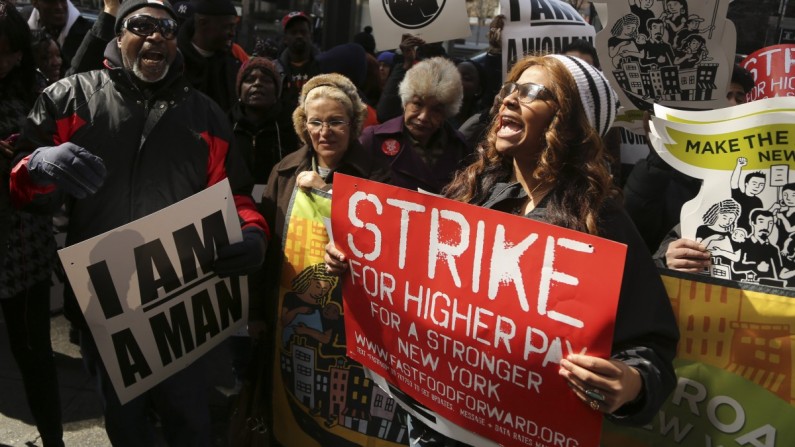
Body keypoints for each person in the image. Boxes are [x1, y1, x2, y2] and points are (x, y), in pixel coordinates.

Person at [326, 54, 679, 446]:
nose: (508, 99)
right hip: (436, 427)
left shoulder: (601, 222)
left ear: (572, 119)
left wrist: (629, 384)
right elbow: (418, 289)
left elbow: (652, 350)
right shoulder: (476, 195)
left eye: (531, 92)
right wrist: (357, 263)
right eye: (510, 89)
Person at [8, 0, 269, 445]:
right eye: (141, 25)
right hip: (106, 305)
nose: (155, 35)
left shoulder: (205, 114)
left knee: (189, 421)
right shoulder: (70, 98)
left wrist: (252, 233)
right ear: (118, 36)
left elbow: (235, 194)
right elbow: (22, 185)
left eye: (166, 27)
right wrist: (36, 165)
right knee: (125, 425)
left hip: (181, 304)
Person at [258, 73, 392, 445]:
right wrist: (257, 314)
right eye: (315, 122)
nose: (325, 131)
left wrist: (358, 261)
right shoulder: (284, 172)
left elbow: (393, 257)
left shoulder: (380, 179)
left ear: (354, 126)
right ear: (303, 125)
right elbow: (268, 251)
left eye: (336, 121)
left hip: (353, 325)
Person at [0, 3, 63, 446]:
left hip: (22, 244)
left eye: (6, 51)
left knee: (35, 355)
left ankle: (53, 439)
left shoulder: (35, 93)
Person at [626, 65, 756, 258]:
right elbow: (637, 239)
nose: (734, 105)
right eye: (726, 96)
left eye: (739, 97)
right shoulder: (662, 171)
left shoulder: (750, 170)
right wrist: (665, 259)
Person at [361, 56, 472, 194]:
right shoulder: (372, 139)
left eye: (436, 109)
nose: (423, 117)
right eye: (418, 104)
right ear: (405, 101)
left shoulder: (460, 148)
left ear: (447, 112)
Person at [177, 0, 246, 112]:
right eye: (227, 27)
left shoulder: (234, 64)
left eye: (234, 27)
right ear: (203, 23)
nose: (232, 33)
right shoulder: (172, 62)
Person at [230, 56, 284, 185]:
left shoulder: (289, 126)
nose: (257, 83)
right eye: (249, 80)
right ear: (239, 89)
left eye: (266, 80)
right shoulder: (225, 124)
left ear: (276, 91)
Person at [275, 10, 320, 154]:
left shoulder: (324, 67)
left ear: (310, 35)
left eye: (303, 31)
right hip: (284, 139)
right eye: (294, 32)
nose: (299, 36)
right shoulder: (274, 69)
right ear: (285, 38)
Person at [27, 0, 93, 75]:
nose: (59, 7)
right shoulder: (23, 24)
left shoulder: (89, 35)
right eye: (51, 2)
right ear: (35, 3)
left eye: (63, 1)